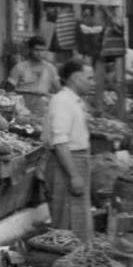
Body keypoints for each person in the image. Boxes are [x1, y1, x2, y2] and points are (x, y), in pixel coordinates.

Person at [41, 59, 95, 241]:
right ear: (76, 78)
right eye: (89, 78)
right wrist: (73, 175)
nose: (92, 82)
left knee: (78, 217)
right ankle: (63, 259)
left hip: (76, 160)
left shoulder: (74, 101)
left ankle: (75, 257)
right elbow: (60, 142)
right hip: (66, 163)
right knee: (66, 218)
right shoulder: (62, 101)